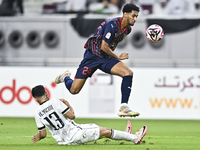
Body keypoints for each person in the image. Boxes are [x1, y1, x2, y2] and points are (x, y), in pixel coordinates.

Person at [55, 3, 140, 117]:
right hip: (92, 56)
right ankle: (65, 77)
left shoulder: (127, 29)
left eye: (136, 17)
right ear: (125, 14)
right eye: (133, 16)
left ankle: (124, 107)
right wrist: (118, 57)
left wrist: (112, 54)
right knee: (74, 90)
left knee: (128, 73)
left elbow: (111, 44)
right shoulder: (112, 24)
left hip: (106, 58)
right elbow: (104, 47)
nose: (135, 19)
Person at [31, 85, 147, 145]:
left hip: (63, 141)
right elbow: (72, 116)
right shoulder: (55, 102)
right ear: (46, 93)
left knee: (99, 131)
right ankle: (135, 138)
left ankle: (125, 135)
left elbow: (43, 134)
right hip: (74, 134)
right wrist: (68, 104)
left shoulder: (37, 113)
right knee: (105, 131)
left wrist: (38, 136)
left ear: (35, 99)